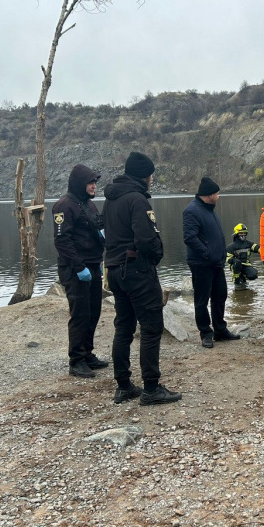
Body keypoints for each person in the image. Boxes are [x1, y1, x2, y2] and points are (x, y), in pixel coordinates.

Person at [102, 152, 181, 406]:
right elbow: (147, 239)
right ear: (144, 176)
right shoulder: (137, 200)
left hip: (115, 269)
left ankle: (123, 385)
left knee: (123, 327)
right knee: (150, 326)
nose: (151, 180)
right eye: (151, 176)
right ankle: (151, 387)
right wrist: (156, 256)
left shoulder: (111, 200)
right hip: (136, 270)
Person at [52, 164, 108, 379]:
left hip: (93, 264)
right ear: (79, 184)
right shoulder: (64, 206)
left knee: (94, 311)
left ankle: (87, 353)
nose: (94, 186)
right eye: (90, 182)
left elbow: (97, 228)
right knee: (80, 314)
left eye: (95, 182)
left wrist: (102, 246)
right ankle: (76, 360)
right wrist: (78, 267)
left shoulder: (89, 205)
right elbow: (62, 241)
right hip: (75, 269)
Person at [183, 177, 240, 348]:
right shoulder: (191, 210)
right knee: (202, 299)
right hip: (202, 264)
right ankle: (205, 333)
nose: (218, 196)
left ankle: (220, 330)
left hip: (216, 263)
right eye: (216, 193)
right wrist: (207, 254)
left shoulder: (209, 209)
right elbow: (189, 238)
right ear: (208, 195)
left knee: (220, 295)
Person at [226, 223, 260, 290]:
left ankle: (244, 277)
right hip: (236, 265)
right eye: (241, 233)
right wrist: (234, 260)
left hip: (246, 264)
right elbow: (228, 259)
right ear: (237, 234)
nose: (243, 235)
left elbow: (256, 247)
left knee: (253, 275)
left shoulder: (248, 243)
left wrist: (263, 250)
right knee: (237, 264)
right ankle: (237, 281)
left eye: (245, 233)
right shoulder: (231, 246)